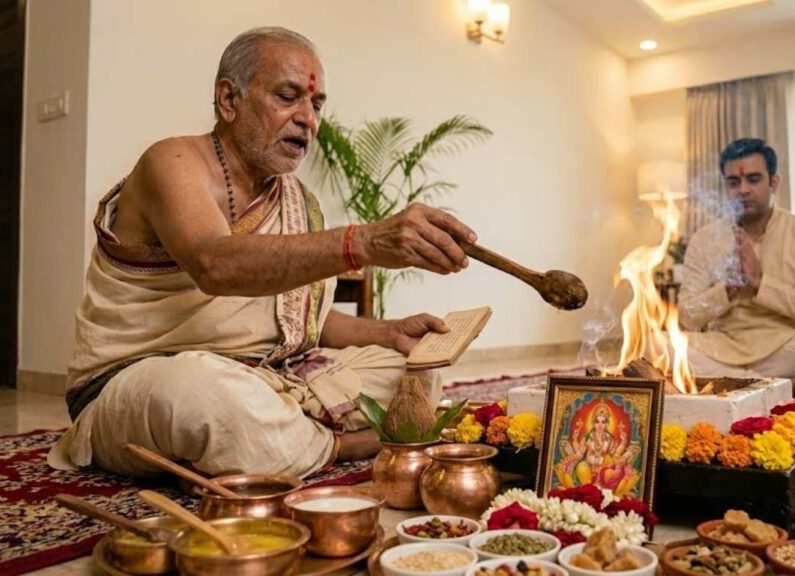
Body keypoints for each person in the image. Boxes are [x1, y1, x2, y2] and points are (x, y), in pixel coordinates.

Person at [49, 27, 479, 478]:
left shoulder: (299, 202)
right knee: (199, 393)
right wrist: (362, 242)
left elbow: (298, 317)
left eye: (316, 105)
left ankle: (280, 436)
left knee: (415, 375)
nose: (308, 119)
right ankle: (340, 444)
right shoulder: (172, 163)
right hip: (143, 381)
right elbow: (215, 264)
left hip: (269, 377)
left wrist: (388, 333)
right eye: (288, 96)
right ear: (228, 100)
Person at [679, 138, 795, 391]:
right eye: (734, 182)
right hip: (724, 344)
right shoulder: (705, 239)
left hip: (784, 342)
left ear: (773, 182)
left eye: (753, 179)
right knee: (660, 345)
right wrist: (729, 288)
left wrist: (760, 284)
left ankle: (738, 385)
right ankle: (772, 386)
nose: (743, 189)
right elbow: (687, 317)